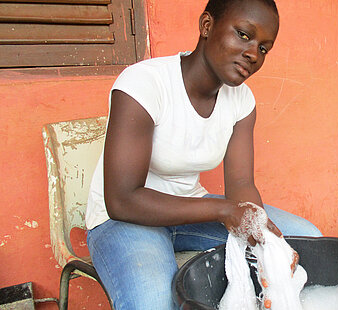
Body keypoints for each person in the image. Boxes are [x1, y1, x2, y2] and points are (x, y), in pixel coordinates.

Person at [84, 0, 322, 309]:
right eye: (243, 35)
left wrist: (260, 230)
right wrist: (224, 211)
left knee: (306, 240)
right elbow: (122, 201)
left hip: (190, 210)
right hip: (124, 220)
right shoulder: (145, 83)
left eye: (264, 48)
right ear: (207, 26)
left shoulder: (241, 100)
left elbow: (240, 185)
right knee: (156, 302)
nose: (253, 54)